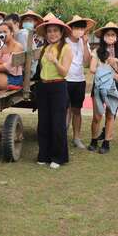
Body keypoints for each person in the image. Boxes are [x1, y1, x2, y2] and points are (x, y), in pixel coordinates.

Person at [34, 18, 73, 169]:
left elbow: (64, 73)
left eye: (55, 31)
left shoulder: (66, 48)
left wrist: (55, 61)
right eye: (49, 31)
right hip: (43, 87)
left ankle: (58, 157)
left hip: (58, 87)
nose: (52, 34)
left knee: (57, 124)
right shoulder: (44, 48)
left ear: (61, 32)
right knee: (43, 123)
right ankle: (43, 154)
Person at [87, 22, 118, 154]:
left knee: (110, 115)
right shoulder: (97, 52)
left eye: (113, 35)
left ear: (116, 37)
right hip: (98, 86)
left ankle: (106, 143)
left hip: (114, 87)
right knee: (97, 116)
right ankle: (93, 140)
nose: (110, 37)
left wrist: (116, 61)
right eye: (108, 34)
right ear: (103, 37)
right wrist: (107, 71)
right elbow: (92, 69)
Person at [65, 15, 96, 149]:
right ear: (71, 28)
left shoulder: (84, 42)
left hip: (79, 80)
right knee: (64, 109)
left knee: (76, 110)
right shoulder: (64, 41)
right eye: (77, 27)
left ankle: (76, 138)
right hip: (65, 79)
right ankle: (62, 136)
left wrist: (84, 43)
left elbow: (87, 62)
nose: (79, 31)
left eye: (82, 28)